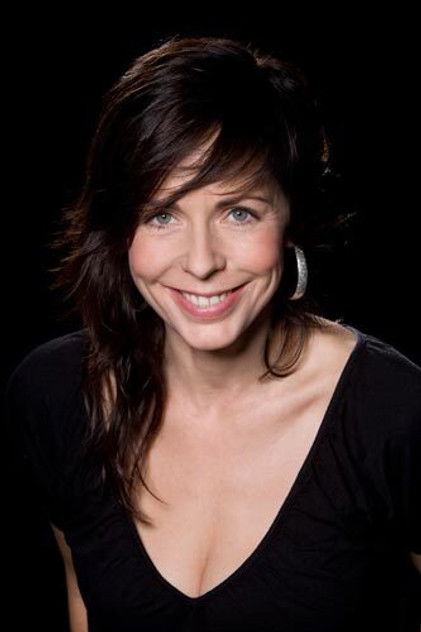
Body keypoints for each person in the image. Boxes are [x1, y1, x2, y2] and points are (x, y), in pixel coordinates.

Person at [4, 35, 420, 632]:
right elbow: (84, 599)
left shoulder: (395, 412)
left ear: (291, 220)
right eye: (162, 214)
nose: (201, 263)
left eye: (239, 212)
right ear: (120, 230)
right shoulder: (55, 396)